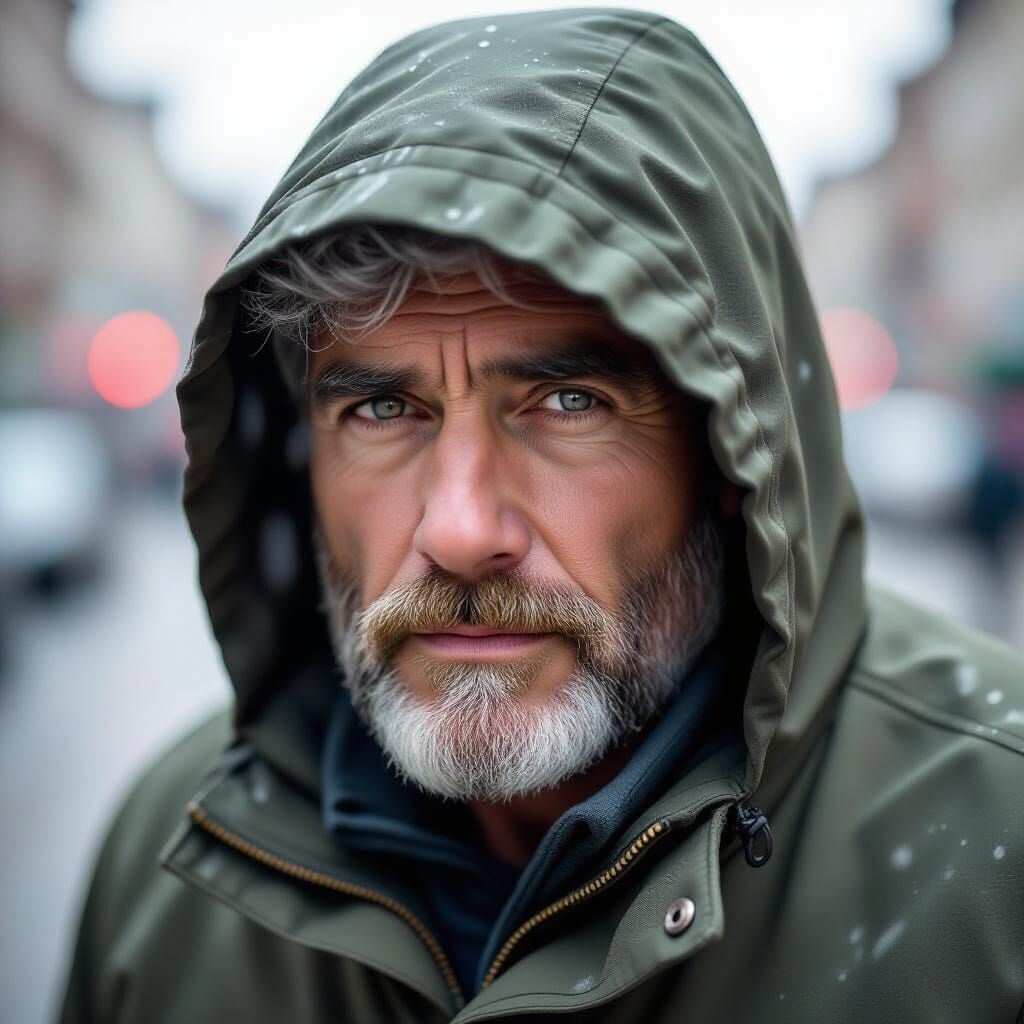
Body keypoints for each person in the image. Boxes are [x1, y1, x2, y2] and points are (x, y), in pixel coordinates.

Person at [58, 9, 1024, 1023]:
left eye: (569, 403)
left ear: (733, 452)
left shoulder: (994, 858)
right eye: (383, 409)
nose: (463, 528)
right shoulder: (172, 873)